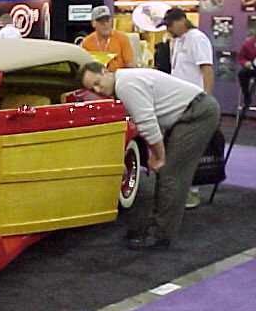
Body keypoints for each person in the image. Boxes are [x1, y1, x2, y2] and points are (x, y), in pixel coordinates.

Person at [79, 62, 220, 250]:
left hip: (197, 114)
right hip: (191, 112)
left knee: (172, 176)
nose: (98, 90)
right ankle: (156, 227)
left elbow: (148, 124)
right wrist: (156, 153)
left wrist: (159, 156)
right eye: (92, 89)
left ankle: (161, 237)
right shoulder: (125, 80)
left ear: (105, 72)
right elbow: (153, 118)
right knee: (167, 175)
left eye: (97, 83)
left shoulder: (125, 85)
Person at [161, 7, 214, 209]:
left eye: (170, 25)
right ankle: (182, 190)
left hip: (194, 101)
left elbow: (207, 69)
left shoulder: (197, 39)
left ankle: (193, 192)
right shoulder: (177, 40)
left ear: (182, 20)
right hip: (178, 101)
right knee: (178, 146)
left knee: (191, 148)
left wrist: (207, 99)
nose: (169, 29)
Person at [81, 6, 134, 72]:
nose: (105, 24)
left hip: (118, 75)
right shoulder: (87, 42)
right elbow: (85, 68)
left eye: (107, 20)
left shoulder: (122, 38)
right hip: (97, 76)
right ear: (93, 24)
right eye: (101, 22)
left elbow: (130, 65)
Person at [237, 32, 256, 109]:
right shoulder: (248, 44)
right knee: (242, 73)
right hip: (253, 67)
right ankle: (247, 96)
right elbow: (241, 57)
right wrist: (245, 63)